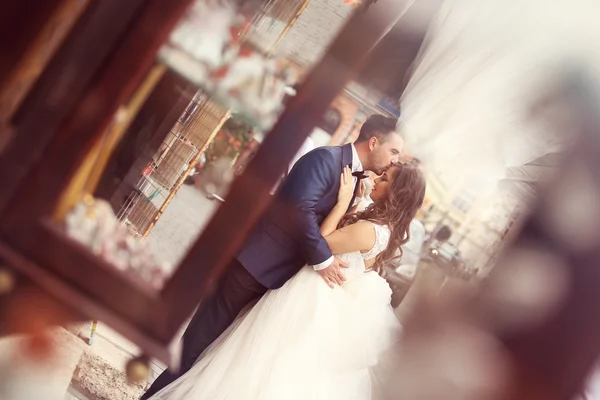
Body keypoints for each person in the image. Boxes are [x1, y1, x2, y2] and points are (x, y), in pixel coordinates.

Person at [141, 114, 403, 399]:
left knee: (214, 358)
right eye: (393, 151)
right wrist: (324, 260)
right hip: (251, 268)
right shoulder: (325, 159)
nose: (393, 159)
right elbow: (298, 209)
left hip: (274, 281)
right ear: (374, 142)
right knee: (195, 347)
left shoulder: (353, 179)